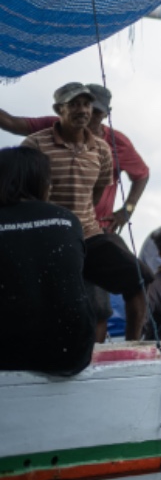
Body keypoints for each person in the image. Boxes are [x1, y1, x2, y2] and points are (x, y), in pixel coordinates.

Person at [22, 84, 149, 344]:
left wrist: (127, 210)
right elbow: (25, 192)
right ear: (59, 109)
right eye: (75, 104)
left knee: (139, 278)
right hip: (49, 237)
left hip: (89, 233)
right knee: (63, 303)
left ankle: (133, 346)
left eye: (87, 105)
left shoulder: (103, 148)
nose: (83, 111)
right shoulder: (35, 143)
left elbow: (97, 192)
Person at [1, 83, 150, 236]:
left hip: (95, 228)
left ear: (106, 114)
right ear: (62, 110)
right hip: (47, 225)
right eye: (76, 105)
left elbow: (142, 174)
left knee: (124, 259)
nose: (86, 114)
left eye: (93, 109)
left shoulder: (116, 143)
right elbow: (12, 123)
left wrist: (127, 209)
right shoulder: (51, 129)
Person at [0, 147, 95, 374]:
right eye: (48, 180)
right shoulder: (65, 219)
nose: (51, 186)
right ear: (37, 181)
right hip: (70, 352)